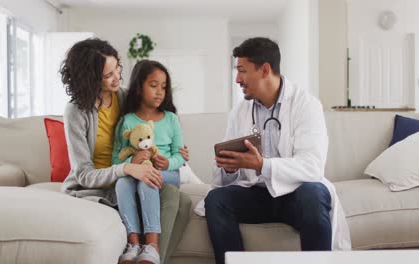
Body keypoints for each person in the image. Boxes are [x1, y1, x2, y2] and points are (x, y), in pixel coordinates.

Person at [202, 37, 351, 264]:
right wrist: (231, 167)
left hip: (297, 194)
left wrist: (262, 165)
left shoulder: (307, 105)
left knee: (314, 193)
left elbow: (312, 166)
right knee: (216, 200)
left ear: (264, 70)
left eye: (242, 71)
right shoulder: (240, 111)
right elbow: (226, 174)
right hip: (257, 194)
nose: (237, 79)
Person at [59, 38, 191, 264]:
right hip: (99, 186)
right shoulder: (75, 112)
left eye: (117, 68)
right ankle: (147, 252)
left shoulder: (125, 97)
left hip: (135, 176)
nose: (117, 77)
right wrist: (127, 168)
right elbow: (83, 175)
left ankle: (151, 255)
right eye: (108, 75)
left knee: (183, 201)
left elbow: (156, 127)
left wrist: (175, 157)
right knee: (170, 198)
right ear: (90, 79)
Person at [112, 60, 185, 264]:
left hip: (167, 174)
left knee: (147, 177)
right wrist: (132, 160)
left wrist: (167, 163)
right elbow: (115, 159)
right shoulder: (127, 121)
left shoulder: (171, 119)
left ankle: (151, 245)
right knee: (122, 182)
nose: (159, 92)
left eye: (163, 87)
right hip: (135, 171)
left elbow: (179, 157)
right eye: (153, 86)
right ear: (139, 87)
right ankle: (133, 243)